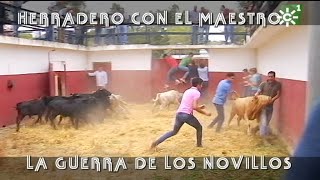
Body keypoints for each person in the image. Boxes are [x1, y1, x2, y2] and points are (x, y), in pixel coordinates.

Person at [150, 77, 212, 149]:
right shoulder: (197, 93)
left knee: (174, 131)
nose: (201, 86)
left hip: (179, 114)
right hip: (186, 115)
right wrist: (205, 113)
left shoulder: (187, 91)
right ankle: (199, 146)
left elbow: (188, 104)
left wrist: (199, 107)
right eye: (201, 85)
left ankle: (155, 143)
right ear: (198, 85)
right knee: (199, 127)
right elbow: (194, 107)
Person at [254, 71, 281, 145]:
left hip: (270, 107)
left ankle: (256, 129)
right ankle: (264, 140)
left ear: (274, 77)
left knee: (266, 122)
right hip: (262, 107)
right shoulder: (263, 84)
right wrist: (256, 94)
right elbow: (258, 91)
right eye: (269, 76)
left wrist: (272, 99)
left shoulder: (278, 84)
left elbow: (278, 94)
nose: (270, 78)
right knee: (264, 123)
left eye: (271, 76)